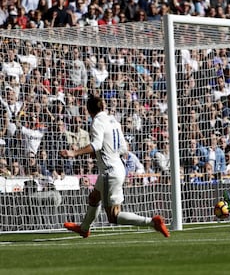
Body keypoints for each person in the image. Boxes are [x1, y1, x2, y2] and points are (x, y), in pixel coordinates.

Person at [60, 95, 169, 238]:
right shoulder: (113, 121)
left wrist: (73, 152)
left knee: (113, 216)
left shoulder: (97, 122)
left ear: (88, 110)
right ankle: (84, 228)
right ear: (103, 107)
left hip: (109, 172)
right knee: (93, 198)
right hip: (117, 166)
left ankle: (151, 222)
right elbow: (124, 148)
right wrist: (102, 152)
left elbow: (96, 145)